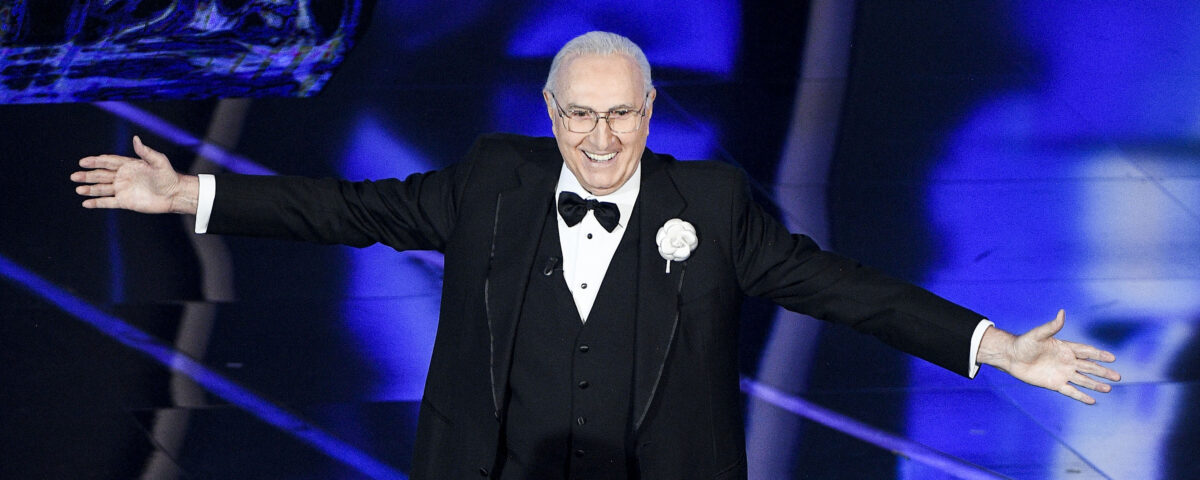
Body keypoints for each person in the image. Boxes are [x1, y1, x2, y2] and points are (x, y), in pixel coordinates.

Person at [71, 31, 1120, 479]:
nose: (603, 140)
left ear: (651, 110)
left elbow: (841, 288)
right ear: (550, 111)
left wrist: (994, 345)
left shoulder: (712, 205)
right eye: (581, 115)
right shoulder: (492, 179)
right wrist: (189, 192)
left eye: (622, 115)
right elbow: (346, 209)